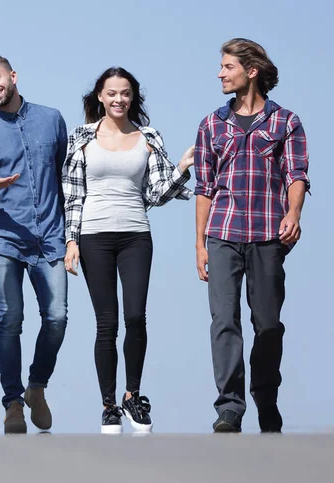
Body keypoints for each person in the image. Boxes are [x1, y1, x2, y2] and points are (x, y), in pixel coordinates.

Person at [62, 67, 194, 434]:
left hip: (136, 234)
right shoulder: (82, 138)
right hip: (93, 236)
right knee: (107, 323)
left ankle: (132, 395)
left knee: (136, 316)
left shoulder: (148, 137)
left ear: (132, 97)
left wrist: (181, 168)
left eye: (125, 93)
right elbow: (72, 194)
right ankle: (108, 406)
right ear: (100, 97)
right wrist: (71, 240)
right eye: (111, 93)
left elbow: (156, 193)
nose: (118, 99)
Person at [194, 38, 310, 433]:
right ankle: (229, 407)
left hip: (267, 235)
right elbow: (204, 188)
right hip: (223, 233)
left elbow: (296, 175)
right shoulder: (211, 124)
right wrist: (199, 244)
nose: (220, 73)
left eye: (228, 66)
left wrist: (293, 214)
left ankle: (266, 398)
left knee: (268, 324)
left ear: (251, 70)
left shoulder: (286, 122)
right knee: (223, 321)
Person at [0, 54, 68, 434]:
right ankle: (12, 403)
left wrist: (70, 234)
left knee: (57, 318)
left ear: (13, 75)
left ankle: (36, 387)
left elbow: (63, 175)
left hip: (50, 238)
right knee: (10, 319)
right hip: (3, 240)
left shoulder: (52, 119)